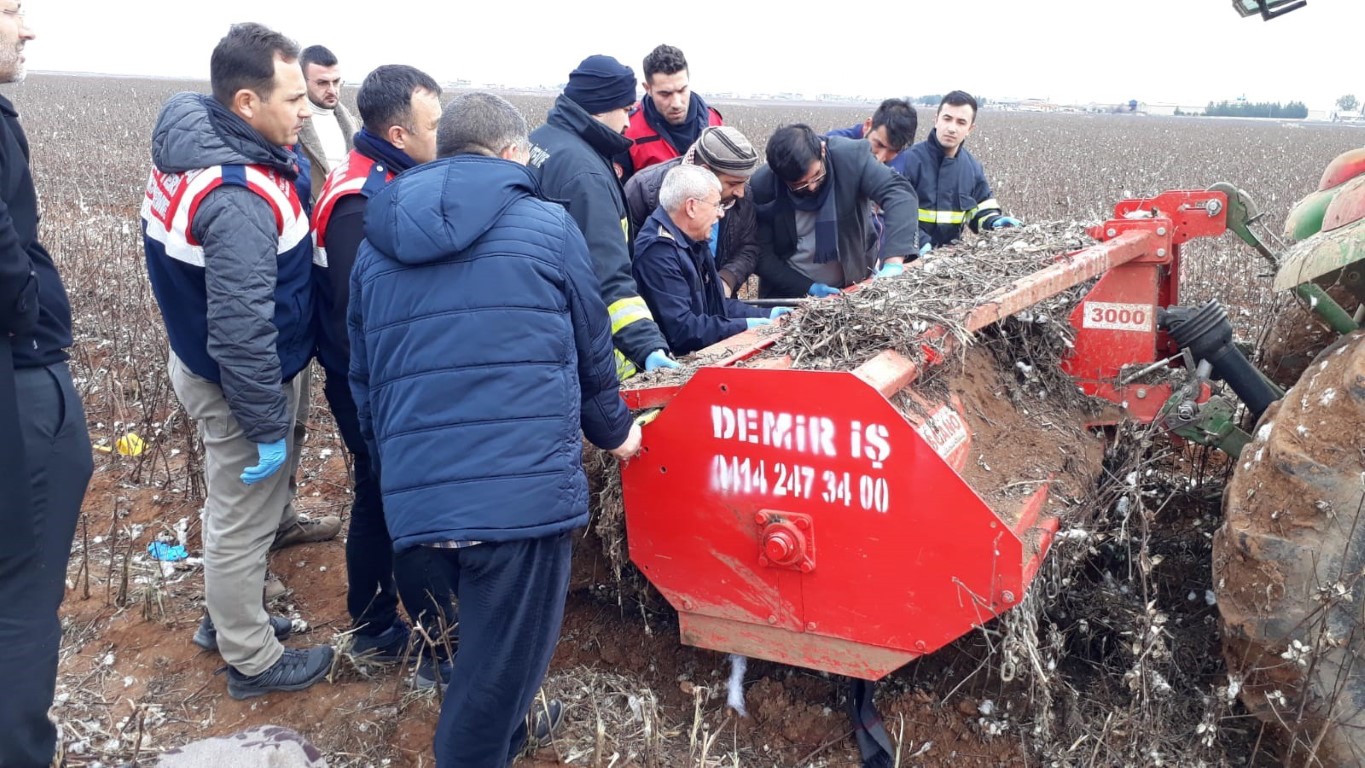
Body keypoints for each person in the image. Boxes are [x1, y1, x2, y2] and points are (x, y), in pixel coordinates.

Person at [347, 90, 642, 768]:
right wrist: (613, 429)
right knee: (490, 680)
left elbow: (365, 382)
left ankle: (509, 732)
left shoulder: (376, 244)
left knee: (485, 653)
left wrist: (398, 468)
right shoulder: (546, 225)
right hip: (518, 500)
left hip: (416, 500)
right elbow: (591, 346)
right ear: (513, 153)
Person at [141, 22, 334, 699]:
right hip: (236, 380)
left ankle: (226, 621)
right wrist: (261, 425)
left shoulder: (201, 140)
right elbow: (240, 330)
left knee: (239, 511)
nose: (304, 110)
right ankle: (249, 658)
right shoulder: (237, 197)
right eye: (292, 99)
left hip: (206, 359)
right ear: (246, 103)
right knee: (237, 519)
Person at [311, 65, 445, 666]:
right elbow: (355, 314)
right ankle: (372, 624)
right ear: (398, 134)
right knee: (377, 489)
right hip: (364, 377)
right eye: (433, 126)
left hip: (381, 372)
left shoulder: (385, 175)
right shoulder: (360, 201)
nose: (440, 137)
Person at [0, 5, 95, 765]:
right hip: (19, 386)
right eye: (8, 11)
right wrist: (30, 306)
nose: (26, 31)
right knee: (20, 603)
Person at [529, 54, 677, 378]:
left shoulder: (540, 141)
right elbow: (607, 276)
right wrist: (648, 347)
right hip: (578, 348)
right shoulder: (584, 175)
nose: (628, 122)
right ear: (601, 105)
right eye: (626, 110)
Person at [751, 125, 919, 299]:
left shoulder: (851, 158)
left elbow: (899, 194)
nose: (812, 187)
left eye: (817, 175)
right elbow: (762, 255)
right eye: (799, 185)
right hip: (793, 295)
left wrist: (893, 262)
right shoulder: (764, 186)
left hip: (854, 286)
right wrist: (809, 287)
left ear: (822, 150)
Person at [634, 164, 785, 355]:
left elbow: (716, 306)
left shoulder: (693, 242)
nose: (721, 214)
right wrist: (745, 326)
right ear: (691, 207)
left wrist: (767, 315)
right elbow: (682, 330)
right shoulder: (658, 253)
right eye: (716, 205)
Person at [624, 125, 759, 297]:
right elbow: (624, 259)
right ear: (705, 171)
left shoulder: (742, 195)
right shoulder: (643, 190)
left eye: (744, 182)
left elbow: (749, 247)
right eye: (732, 184)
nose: (741, 192)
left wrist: (726, 281)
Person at [902, 90, 1021, 249]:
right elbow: (893, 215)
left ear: (970, 129)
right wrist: (921, 243)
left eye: (961, 122)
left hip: (950, 262)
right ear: (936, 120)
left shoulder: (972, 168)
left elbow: (980, 209)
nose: (952, 128)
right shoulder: (908, 161)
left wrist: (994, 222)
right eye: (947, 119)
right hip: (908, 259)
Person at [622, 44, 723, 178]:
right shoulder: (629, 130)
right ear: (648, 88)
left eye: (682, 90)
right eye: (665, 94)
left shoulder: (714, 122)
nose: (676, 103)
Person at [295, 44, 356, 201]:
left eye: (336, 82)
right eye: (322, 83)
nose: (332, 90)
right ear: (302, 80)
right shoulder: (290, 124)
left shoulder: (352, 123)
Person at [826, 97, 919, 173]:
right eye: (879, 145)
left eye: (892, 152)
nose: (880, 158)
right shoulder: (831, 146)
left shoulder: (909, 161)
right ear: (868, 125)